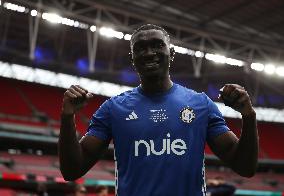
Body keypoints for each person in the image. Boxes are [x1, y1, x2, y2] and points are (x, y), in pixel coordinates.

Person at [59, 24, 258, 196]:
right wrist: (68, 116)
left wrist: (248, 116)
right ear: (132, 58)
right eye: (141, 48)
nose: (149, 53)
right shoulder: (113, 109)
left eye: (157, 45)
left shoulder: (201, 105)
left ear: (171, 53)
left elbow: (245, 167)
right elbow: (72, 170)